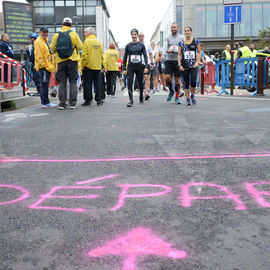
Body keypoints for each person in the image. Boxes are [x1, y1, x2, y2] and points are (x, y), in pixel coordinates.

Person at [50, 17, 83, 109]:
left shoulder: (56, 35)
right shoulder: (74, 34)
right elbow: (80, 46)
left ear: (62, 24)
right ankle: (72, 103)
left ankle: (62, 104)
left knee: (62, 82)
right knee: (73, 81)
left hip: (60, 61)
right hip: (72, 60)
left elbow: (52, 48)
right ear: (71, 25)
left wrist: (58, 53)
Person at [123, 28, 148, 107]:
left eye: (135, 34)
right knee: (129, 82)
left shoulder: (141, 45)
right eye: (132, 34)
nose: (134, 36)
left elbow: (145, 56)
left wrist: (146, 66)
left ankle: (141, 96)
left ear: (137, 35)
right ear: (131, 35)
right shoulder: (128, 45)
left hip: (139, 66)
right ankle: (131, 100)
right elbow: (124, 57)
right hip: (130, 66)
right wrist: (123, 69)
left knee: (140, 82)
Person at [178, 26, 201, 106]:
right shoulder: (181, 42)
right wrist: (179, 64)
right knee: (186, 82)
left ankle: (192, 95)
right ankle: (187, 98)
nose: (187, 32)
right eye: (185, 31)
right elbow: (179, 54)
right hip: (184, 65)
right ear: (184, 32)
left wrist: (197, 62)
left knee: (193, 81)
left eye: (188, 31)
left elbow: (199, 52)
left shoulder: (195, 41)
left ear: (191, 32)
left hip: (193, 65)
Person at [81, 27, 104, 106]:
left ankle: (88, 100)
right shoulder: (99, 42)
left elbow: (84, 55)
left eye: (85, 32)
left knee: (87, 83)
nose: (84, 34)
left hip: (88, 66)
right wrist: (102, 65)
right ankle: (99, 99)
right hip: (97, 66)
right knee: (98, 83)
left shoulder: (87, 42)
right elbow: (101, 55)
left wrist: (82, 65)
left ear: (89, 33)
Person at [34, 27, 56, 108]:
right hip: (44, 67)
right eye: (43, 32)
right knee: (44, 85)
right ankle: (45, 102)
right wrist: (44, 66)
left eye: (46, 32)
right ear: (40, 32)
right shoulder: (38, 41)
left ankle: (45, 102)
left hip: (47, 67)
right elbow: (39, 55)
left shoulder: (44, 41)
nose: (45, 33)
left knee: (45, 84)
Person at [163, 22, 184, 104]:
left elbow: (183, 49)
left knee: (177, 79)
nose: (173, 29)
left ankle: (177, 97)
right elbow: (164, 47)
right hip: (169, 60)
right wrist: (165, 51)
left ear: (177, 28)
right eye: (171, 27)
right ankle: (171, 91)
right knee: (166, 77)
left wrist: (174, 51)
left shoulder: (182, 37)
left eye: (174, 27)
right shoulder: (167, 37)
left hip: (178, 61)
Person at [138, 32, 152, 100]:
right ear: (138, 37)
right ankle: (141, 91)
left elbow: (150, 54)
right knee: (140, 79)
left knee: (147, 78)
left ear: (144, 37)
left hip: (147, 63)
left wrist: (152, 63)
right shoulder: (136, 44)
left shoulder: (147, 44)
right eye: (140, 36)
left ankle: (146, 93)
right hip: (139, 63)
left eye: (142, 36)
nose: (141, 37)